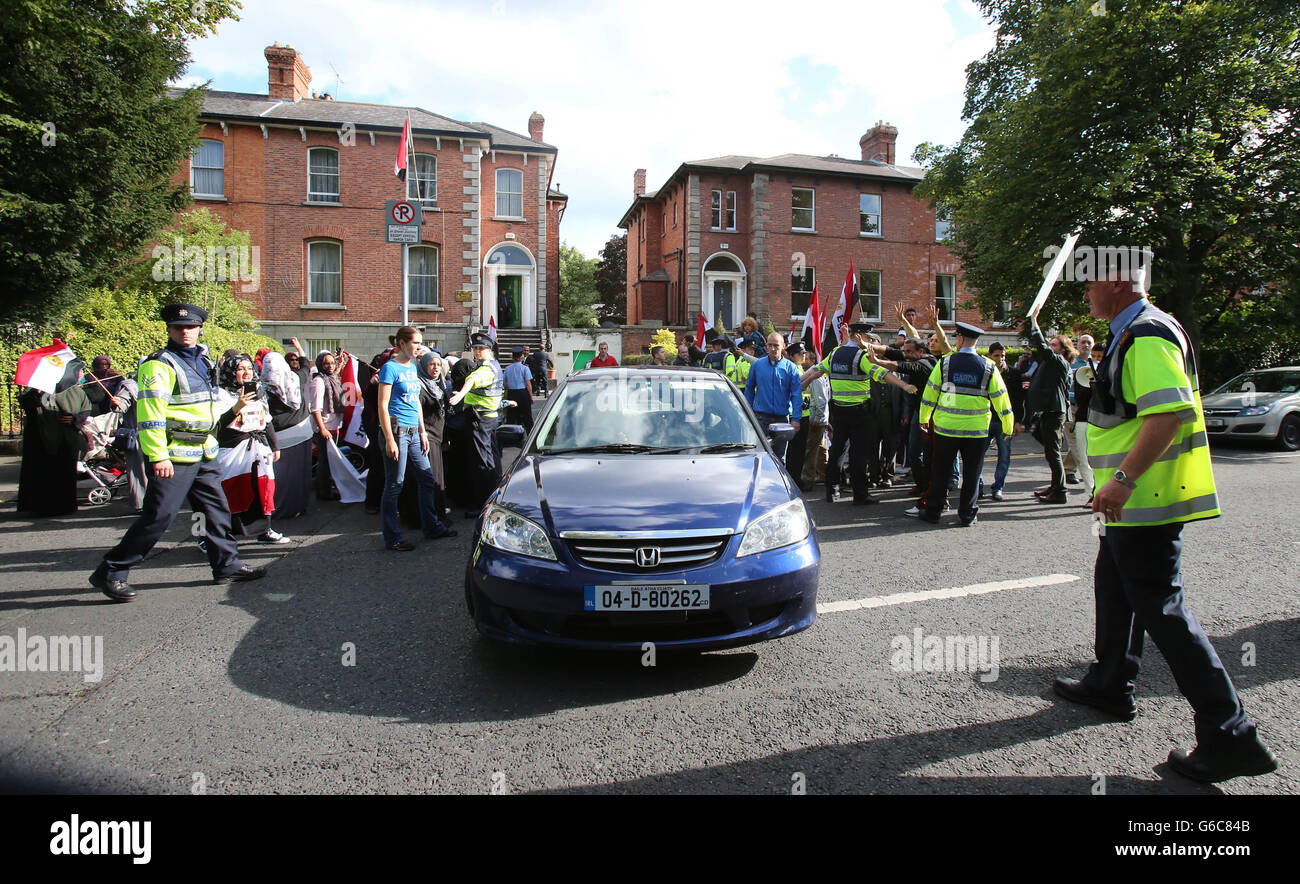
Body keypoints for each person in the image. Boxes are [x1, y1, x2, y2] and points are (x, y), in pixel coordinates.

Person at [1054, 249, 1276, 783]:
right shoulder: (1136, 330)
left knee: (1162, 609)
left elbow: (1168, 415)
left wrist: (1122, 482)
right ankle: (1110, 683)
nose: (1085, 293)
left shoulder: (1147, 333)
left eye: (1090, 284)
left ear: (1117, 283)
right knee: (1113, 585)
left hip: (1143, 500)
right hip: (1131, 503)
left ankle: (1231, 737)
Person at [89, 304, 265, 601]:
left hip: (203, 451)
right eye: (178, 328)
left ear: (200, 329)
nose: (185, 332)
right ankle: (111, 570)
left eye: (191, 327)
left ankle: (226, 565)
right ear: (169, 330)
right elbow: (150, 415)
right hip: (174, 454)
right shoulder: (158, 365)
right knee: (160, 515)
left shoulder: (205, 361)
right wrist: (158, 456)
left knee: (215, 511)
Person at [802, 321, 915, 505]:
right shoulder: (861, 357)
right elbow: (882, 373)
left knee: (837, 450)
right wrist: (905, 385)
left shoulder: (835, 353)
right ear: (858, 337)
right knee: (858, 454)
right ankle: (860, 494)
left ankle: (832, 490)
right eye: (868, 338)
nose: (870, 342)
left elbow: (816, 370)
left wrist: (799, 382)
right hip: (860, 413)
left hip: (839, 411)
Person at [916, 322, 1014, 526]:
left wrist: (924, 418)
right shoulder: (988, 366)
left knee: (940, 472)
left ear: (960, 339)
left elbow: (930, 393)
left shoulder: (945, 363)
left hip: (946, 429)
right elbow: (1001, 398)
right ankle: (967, 514)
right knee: (972, 473)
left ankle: (933, 512)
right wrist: (1008, 425)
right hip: (976, 431)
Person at [376, 326, 455, 551]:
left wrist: (422, 432)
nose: (419, 347)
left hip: (414, 433)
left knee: (427, 480)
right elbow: (382, 405)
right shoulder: (389, 368)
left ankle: (432, 527)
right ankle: (392, 537)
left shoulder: (412, 368)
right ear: (401, 343)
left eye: (420, 343)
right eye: (415, 343)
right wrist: (389, 439)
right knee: (395, 485)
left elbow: (416, 404)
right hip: (397, 432)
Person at [215, 353, 287, 543]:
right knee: (235, 490)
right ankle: (226, 534)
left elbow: (267, 421)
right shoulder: (220, 394)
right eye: (240, 369)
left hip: (259, 449)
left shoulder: (259, 391)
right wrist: (237, 406)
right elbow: (218, 426)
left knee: (263, 489)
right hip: (233, 451)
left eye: (249, 368)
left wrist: (275, 446)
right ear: (231, 372)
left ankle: (265, 530)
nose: (246, 372)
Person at [17, 359, 91, 517]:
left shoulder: (76, 391)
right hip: (41, 440)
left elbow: (85, 410)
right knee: (43, 474)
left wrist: (75, 419)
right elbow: (29, 406)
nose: (81, 374)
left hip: (65, 439)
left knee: (63, 473)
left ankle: (63, 505)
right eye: (79, 371)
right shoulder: (42, 388)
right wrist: (34, 394)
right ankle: (40, 506)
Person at [449, 331, 506, 516]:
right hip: (489, 418)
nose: (477, 352)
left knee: (481, 461)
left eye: (480, 348)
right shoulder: (495, 365)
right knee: (491, 458)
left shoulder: (486, 368)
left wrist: (460, 396)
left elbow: (472, 380)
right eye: (475, 348)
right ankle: (494, 495)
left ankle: (483, 503)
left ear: (489, 349)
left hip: (479, 419)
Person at [1022, 323, 1074, 503]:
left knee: (1052, 452)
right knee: (1047, 445)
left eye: (1055, 345)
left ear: (1063, 349)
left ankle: (1060, 491)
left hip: (1054, 410)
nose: (1051, 348)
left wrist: (1034, 323)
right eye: (1051, 344)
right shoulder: (1055, 365)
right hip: (1049, 410)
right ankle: (1055, 485)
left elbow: (1043, 348)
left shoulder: (1059, 361)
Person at [263, 341, 313, 519]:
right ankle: (300, 506)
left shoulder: (263, 389)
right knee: (301, 474)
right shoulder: (296, 378)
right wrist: (300, 348)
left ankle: (280, 508)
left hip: (279, 438)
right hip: (303, 433)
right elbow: (306, 365)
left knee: (282, 477)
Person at [744, 333, 803, 460]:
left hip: (782, 419)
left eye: (776, 345)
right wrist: (749, 411)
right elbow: (749, 389)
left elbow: (797, 394)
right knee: (758, 456)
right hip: (760, 418)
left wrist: (796, 419)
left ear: (783, 346)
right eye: (769, 345)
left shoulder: (791, 368)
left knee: (779, 457)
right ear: (765, 347)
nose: (772, 348)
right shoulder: (757, 365)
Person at [415, 349, 453, 526]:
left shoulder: (438, 384)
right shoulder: (420, 387)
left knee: (439, 477)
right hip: (427, 437)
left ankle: (437, 514)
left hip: (438, 438)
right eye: (431, 364)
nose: (436, 368)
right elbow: (418, 414)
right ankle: (433, 519)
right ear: (423, 366)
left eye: (438, 364)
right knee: (432, 479)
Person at [1070, 341, 1105, 506]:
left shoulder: (1109, 373)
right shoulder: (1081, 372)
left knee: (1100, 459)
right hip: (1083, 419)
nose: (1097, 360)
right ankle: (1092, 492)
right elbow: (1080, 399)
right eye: (1095, 356)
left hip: (1101, 421)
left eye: (1100, 357)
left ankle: (1099, 491)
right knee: (1083, 458)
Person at [981, 341, 1014, 501]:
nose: (1000, 359)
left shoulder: (1013, 374)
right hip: (985, 420)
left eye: (1003, 356)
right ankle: (977, 485)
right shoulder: (984, 373)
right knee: (978, 454)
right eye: (996, 355)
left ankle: (998, 487)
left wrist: (1018, 421)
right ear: (989, 356)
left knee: (1004, 455)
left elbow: (1018, 400)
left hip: (1003, 421)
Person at [309, 350, 344, 501]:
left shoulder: (331, 377)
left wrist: (340, 363)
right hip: (325, 428)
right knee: (324, 460)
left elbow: (335, 373)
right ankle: (323, 493)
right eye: (326, 363)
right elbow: (315, 408)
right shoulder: (318, 381)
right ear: (319, 365)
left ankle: (327, 488)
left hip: (334, 426)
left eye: (332, 363)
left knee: (329, 460)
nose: (330, 366)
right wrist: (322, 428)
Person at [502, 346, 535, 434]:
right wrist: (530, 396)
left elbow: (504, 383)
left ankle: (511, 438)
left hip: (512, 393)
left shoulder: (507, 368)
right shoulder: (525, 368)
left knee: (512, 417)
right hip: (523, 393)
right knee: (527, 417)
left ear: (512, 357)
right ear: (521, 357)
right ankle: (530, 435)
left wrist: (509, 387)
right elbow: (528, 383)